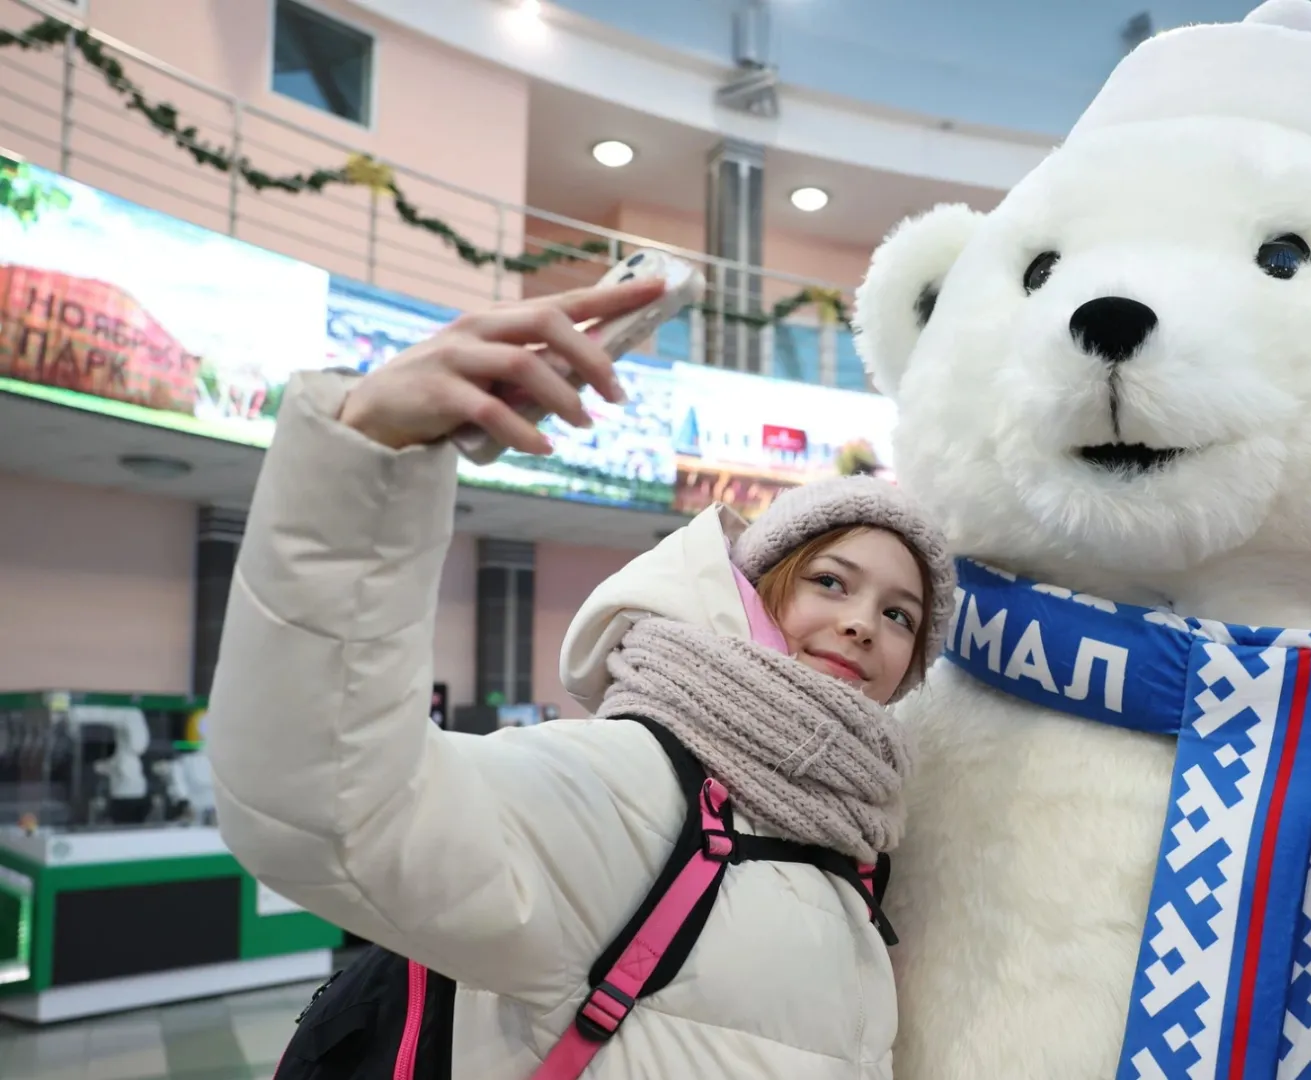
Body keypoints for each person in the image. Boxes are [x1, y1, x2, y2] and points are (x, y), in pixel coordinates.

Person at [206, 279, 954, 1080]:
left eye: (901, 615)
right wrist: (366, 462)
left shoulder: (859, 844)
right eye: (831, 583)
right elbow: (338, 809)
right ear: (762, 589)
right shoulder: (636, 784)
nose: (862, 625)